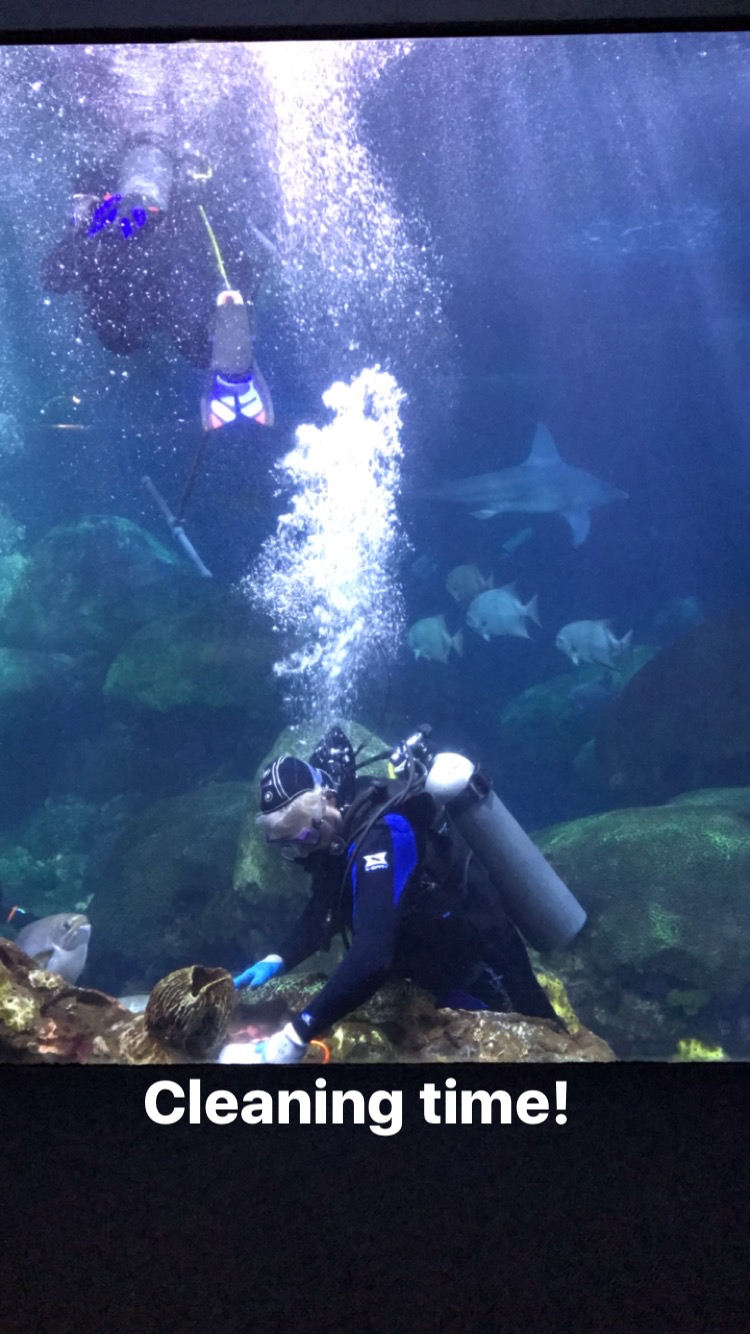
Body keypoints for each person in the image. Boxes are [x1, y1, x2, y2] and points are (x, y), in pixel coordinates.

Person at [228, 726, 579, 1064]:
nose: (303, 853)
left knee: (540, 1043)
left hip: (479, 960)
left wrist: (297, 1034)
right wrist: (278, 958)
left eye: (305, 838)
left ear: (328, 800)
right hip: (430, 971)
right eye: (289, 847)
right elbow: (326, 907)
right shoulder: (335, 831)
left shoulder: (382, 834)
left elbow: (371, 958)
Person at [42, 131, 274, 430]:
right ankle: (232, 368)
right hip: (161, 298)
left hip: (147, 297)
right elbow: (54, 277)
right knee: (175, 340)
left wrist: (90, 228)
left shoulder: (112, 213)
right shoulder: (152, 208)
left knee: (131, 338)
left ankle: (227, 361)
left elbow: (55, 278)